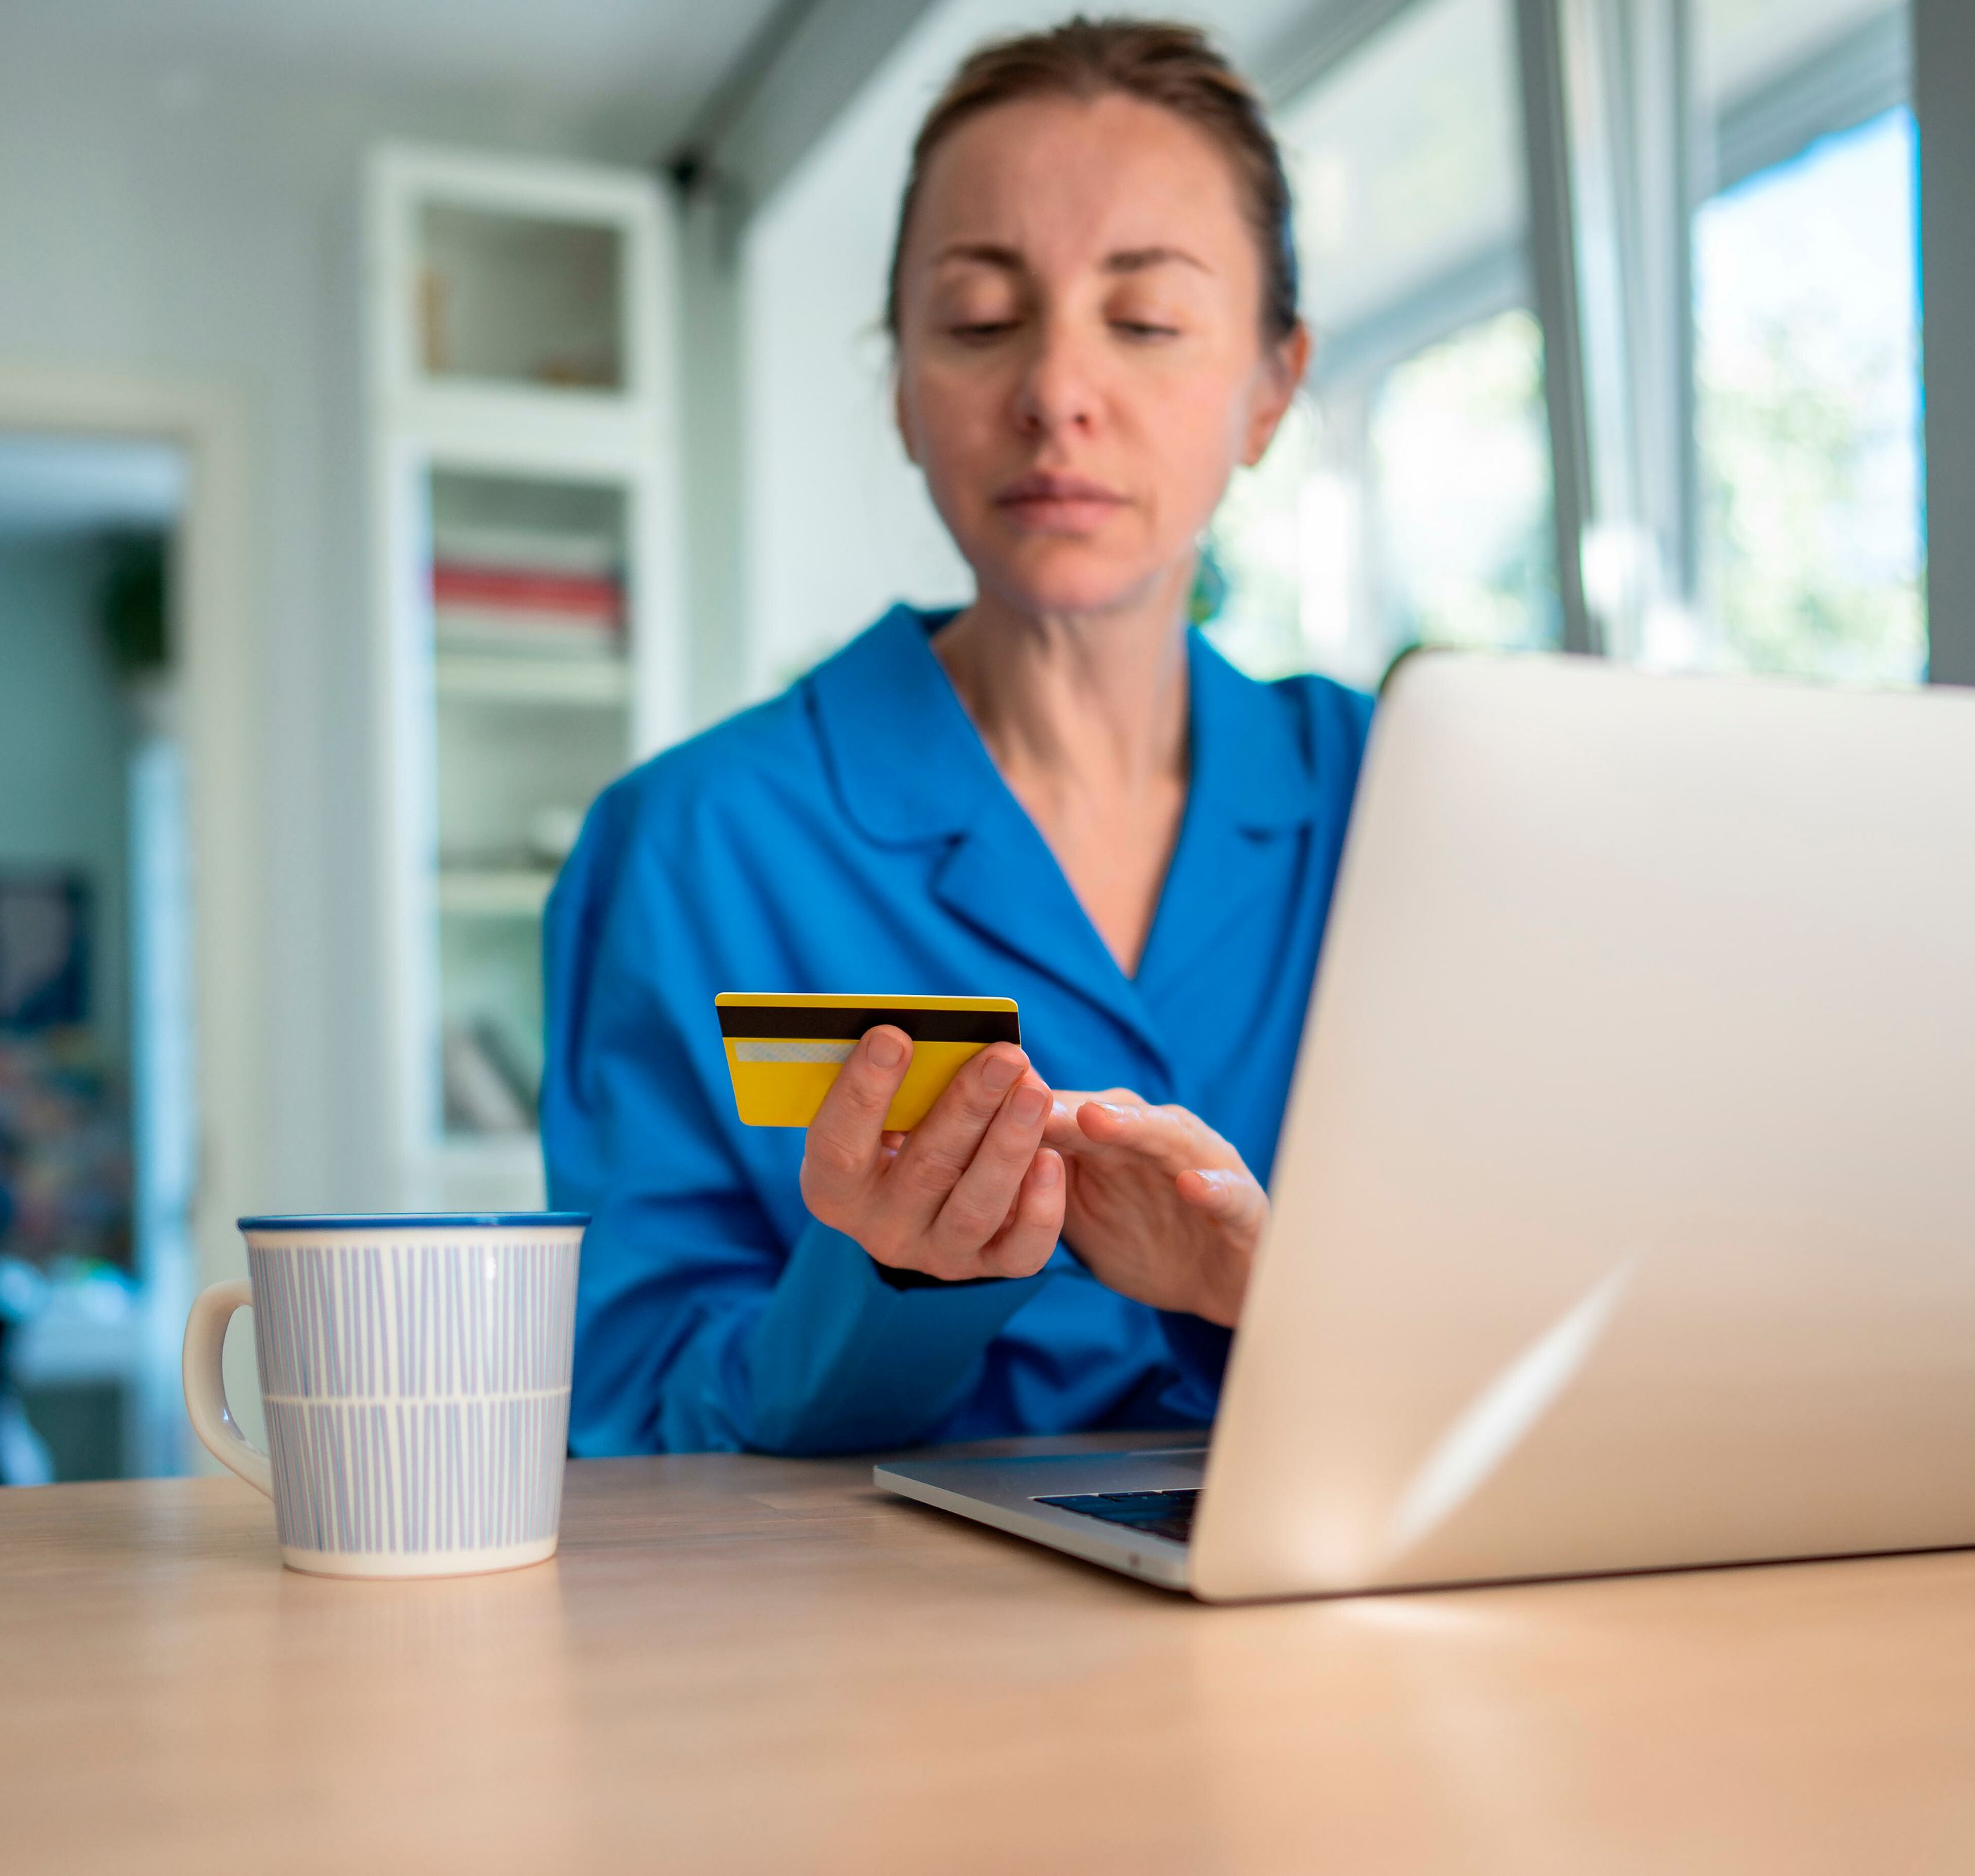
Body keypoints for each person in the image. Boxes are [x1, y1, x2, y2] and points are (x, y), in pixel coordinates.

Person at [546, 18, 1373, 1454]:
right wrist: (880, 1290)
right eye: (982, 319)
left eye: (1147, 321)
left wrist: (1268, 1291)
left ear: (1269, 388)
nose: (1055, 389)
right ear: (903, 391)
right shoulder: (691, 848)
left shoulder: (1403, 806)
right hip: (870, 1667)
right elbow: (623, 1429)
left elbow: (1554, 1319)